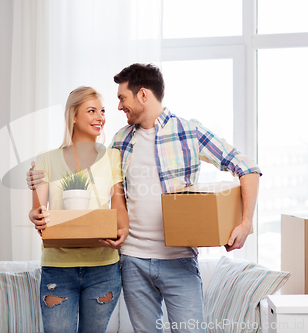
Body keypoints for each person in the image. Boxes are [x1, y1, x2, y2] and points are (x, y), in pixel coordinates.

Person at [28, 64, 261, 333]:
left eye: (121, 98)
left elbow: (247, 168)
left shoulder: (189, 132)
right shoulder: (120, 142)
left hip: (179, 260)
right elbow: (97, 182)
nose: (118, 108)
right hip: (132, 262)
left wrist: (244, 225)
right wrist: (36, 180)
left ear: (142, 95)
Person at [29, 86, 129, 333]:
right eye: (92, 111)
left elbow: (118, 201)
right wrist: (35, 216)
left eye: (102, 111)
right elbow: (38, 209)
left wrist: (123, 228)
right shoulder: (45, 159)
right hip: (58, 269)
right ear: (73, 116)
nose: (100, 117)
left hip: (103, 267)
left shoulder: (113, 157)